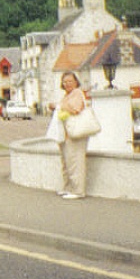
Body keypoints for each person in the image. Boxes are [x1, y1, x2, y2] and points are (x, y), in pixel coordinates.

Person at [48, 71, 89, 200]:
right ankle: (68, 187)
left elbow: (75, 108)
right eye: (65, 82)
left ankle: (78, 190)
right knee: (66, 162)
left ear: (76, 82)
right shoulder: (67, 95)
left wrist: (58, 106)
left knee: (75, 162)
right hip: (66, 134)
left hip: (75, 134)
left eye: (70, 81)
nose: (67, 84)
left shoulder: (77, 93)